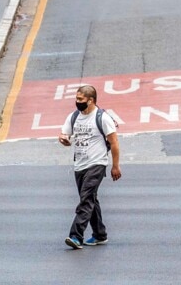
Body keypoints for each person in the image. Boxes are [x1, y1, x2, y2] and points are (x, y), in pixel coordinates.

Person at [59, 85, 121, 248]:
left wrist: (115, 166)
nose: (77, 102)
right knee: (90, 199)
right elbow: (65, 133)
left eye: (80, 99)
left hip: (97, 163)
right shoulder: (73, 117)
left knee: (85, 200)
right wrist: (64, 139)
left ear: (91, 100)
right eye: (76, 99)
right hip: (80, 165)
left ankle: (76, 236)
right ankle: (100, 234)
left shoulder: (102, 118)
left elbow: (114, 143)